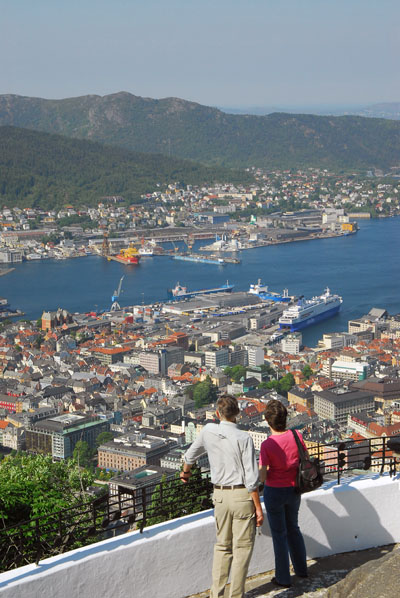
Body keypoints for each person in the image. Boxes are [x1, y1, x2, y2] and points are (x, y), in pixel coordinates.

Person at [181, 395, 263, 598]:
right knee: (242, 549)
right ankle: (235, 595)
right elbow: (252, 478)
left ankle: (216, 594)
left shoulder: (208, 431)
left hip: (219, 496)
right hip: (242, 496)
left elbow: (190, 455)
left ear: (218, 414)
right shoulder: (244, 438)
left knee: (222, 547)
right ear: (237, 414)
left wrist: (186, 473)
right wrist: (258, 508)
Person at [259, 399, 308, 588]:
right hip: (295, 487)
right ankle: (302, 569)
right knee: (294, 528)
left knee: (279, 534)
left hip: (275, 491)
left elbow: (262, 475)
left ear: (267, 421)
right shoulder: (297, 436)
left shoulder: (267, 444)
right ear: (285, 419)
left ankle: (283, 577)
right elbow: (304, 459)